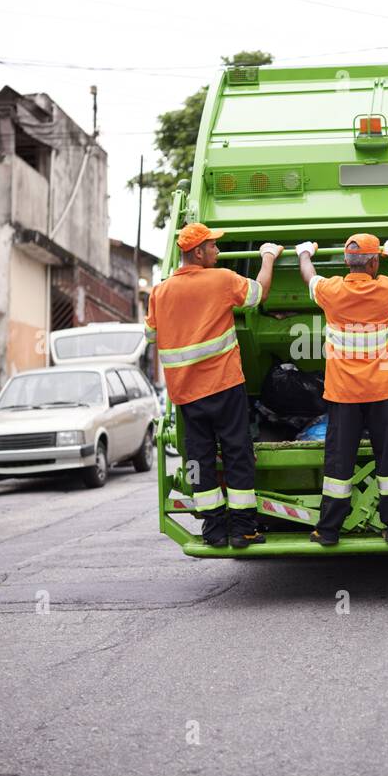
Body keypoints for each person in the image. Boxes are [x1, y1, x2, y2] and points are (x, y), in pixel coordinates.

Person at [145, 223, 283, 548]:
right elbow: (258, 294)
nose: (218, 252)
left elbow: (151, 335)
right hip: (223, 384)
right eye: (213, 247)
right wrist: (268, 257)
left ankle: (213, 530)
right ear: (197, 252)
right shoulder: (220, 280)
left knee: (199, 458)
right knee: (237, 453)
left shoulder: (160, 292)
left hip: (185, 393)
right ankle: (243, 529)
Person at [296, 233, 388, 546]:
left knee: (338, 462)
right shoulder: (386, 290)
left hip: (343, 394)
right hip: (382, 391)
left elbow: (309, 276)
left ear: (347, 262)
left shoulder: (331, 290)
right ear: (375, 262)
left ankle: (329, 529)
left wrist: (305, 252)